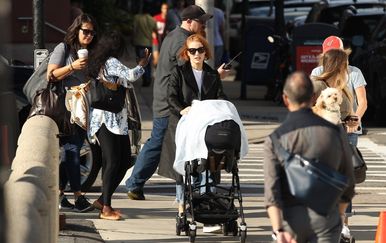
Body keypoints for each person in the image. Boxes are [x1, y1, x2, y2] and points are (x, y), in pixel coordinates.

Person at [125, 4, 214, 201]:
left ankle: (135, 184)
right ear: (189, 22)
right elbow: (190, 69)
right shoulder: (182, 40)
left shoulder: (175, 35)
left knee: (158, 143)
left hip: (166, 100)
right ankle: (135, 183)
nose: (203, 26)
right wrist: (213, 75)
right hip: (169, 103)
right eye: (201, 22)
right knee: (159, 144)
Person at [263, 71, 356, 243]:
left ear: (285, 99)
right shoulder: (335, 132)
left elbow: (272, 189)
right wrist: (340, 214)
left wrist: (278, 229)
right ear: (313, 97)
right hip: (327, 217)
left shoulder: (275, 139)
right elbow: (349, 180)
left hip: (291, 220)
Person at [157, 34, 227, 232]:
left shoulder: (212, 75)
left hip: (206, 129)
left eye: (200, 50)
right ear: (186, 54)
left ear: (206, 52)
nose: (197, 54)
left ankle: (208, 211)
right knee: (184, 169)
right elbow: (171, 97)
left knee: (208, 165)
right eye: (192, 51)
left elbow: (221, 97)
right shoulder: (178, 73)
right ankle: (181, 208)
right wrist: (182, 109)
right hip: (184, 126)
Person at [86, 30, 150, 220]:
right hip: (108, 118)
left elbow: (122, 81)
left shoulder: (101, 62)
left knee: (123, 160)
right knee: (113, 161)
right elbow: (130, 76)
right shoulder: (111, 62)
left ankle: (103, 200)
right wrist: (141, 65)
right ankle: (106, 207)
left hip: (115, 118)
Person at [310, 36, 368, 241]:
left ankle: (343, 224)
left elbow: (362, 102)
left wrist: (355, 119)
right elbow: (312, 102)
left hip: (348, 133)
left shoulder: (354, 73)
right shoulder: (317, 74)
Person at [47, 13, 97, 212]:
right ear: (76, 31)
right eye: (86, 31)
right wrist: (72, 66)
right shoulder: (64, 48)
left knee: (72, 149)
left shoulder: (90, 51)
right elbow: (51, 75)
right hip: (66, 106)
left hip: (83, 107)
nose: (89, 36)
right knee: (72, 149)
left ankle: (59, 195)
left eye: (92, 33)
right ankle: (78, 196)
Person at [132, 5, 157, 87]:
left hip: (139, 43)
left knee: (141, 62)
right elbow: (155, 31)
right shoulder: (152, 19)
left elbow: (134, 29)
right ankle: (148, 79)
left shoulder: (137, 18)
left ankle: (145, 79)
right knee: (148, 62)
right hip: (148, 43)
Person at [152, 2, 168, 66]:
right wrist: (153, 33)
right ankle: (155, 71)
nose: (165, 10)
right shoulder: (156, 17)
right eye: (164, 8)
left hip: (164, 41)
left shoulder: (169, 19)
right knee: (156, 59)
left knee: (163, 59)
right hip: (156, 41)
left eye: (167, 8)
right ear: (161, 9)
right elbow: (151, 27)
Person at [213, 0, 225, 68]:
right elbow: (222, 29)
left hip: (205, 42)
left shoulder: (200, 11)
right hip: (218, 42)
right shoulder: (219, 12)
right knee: (217, 65)